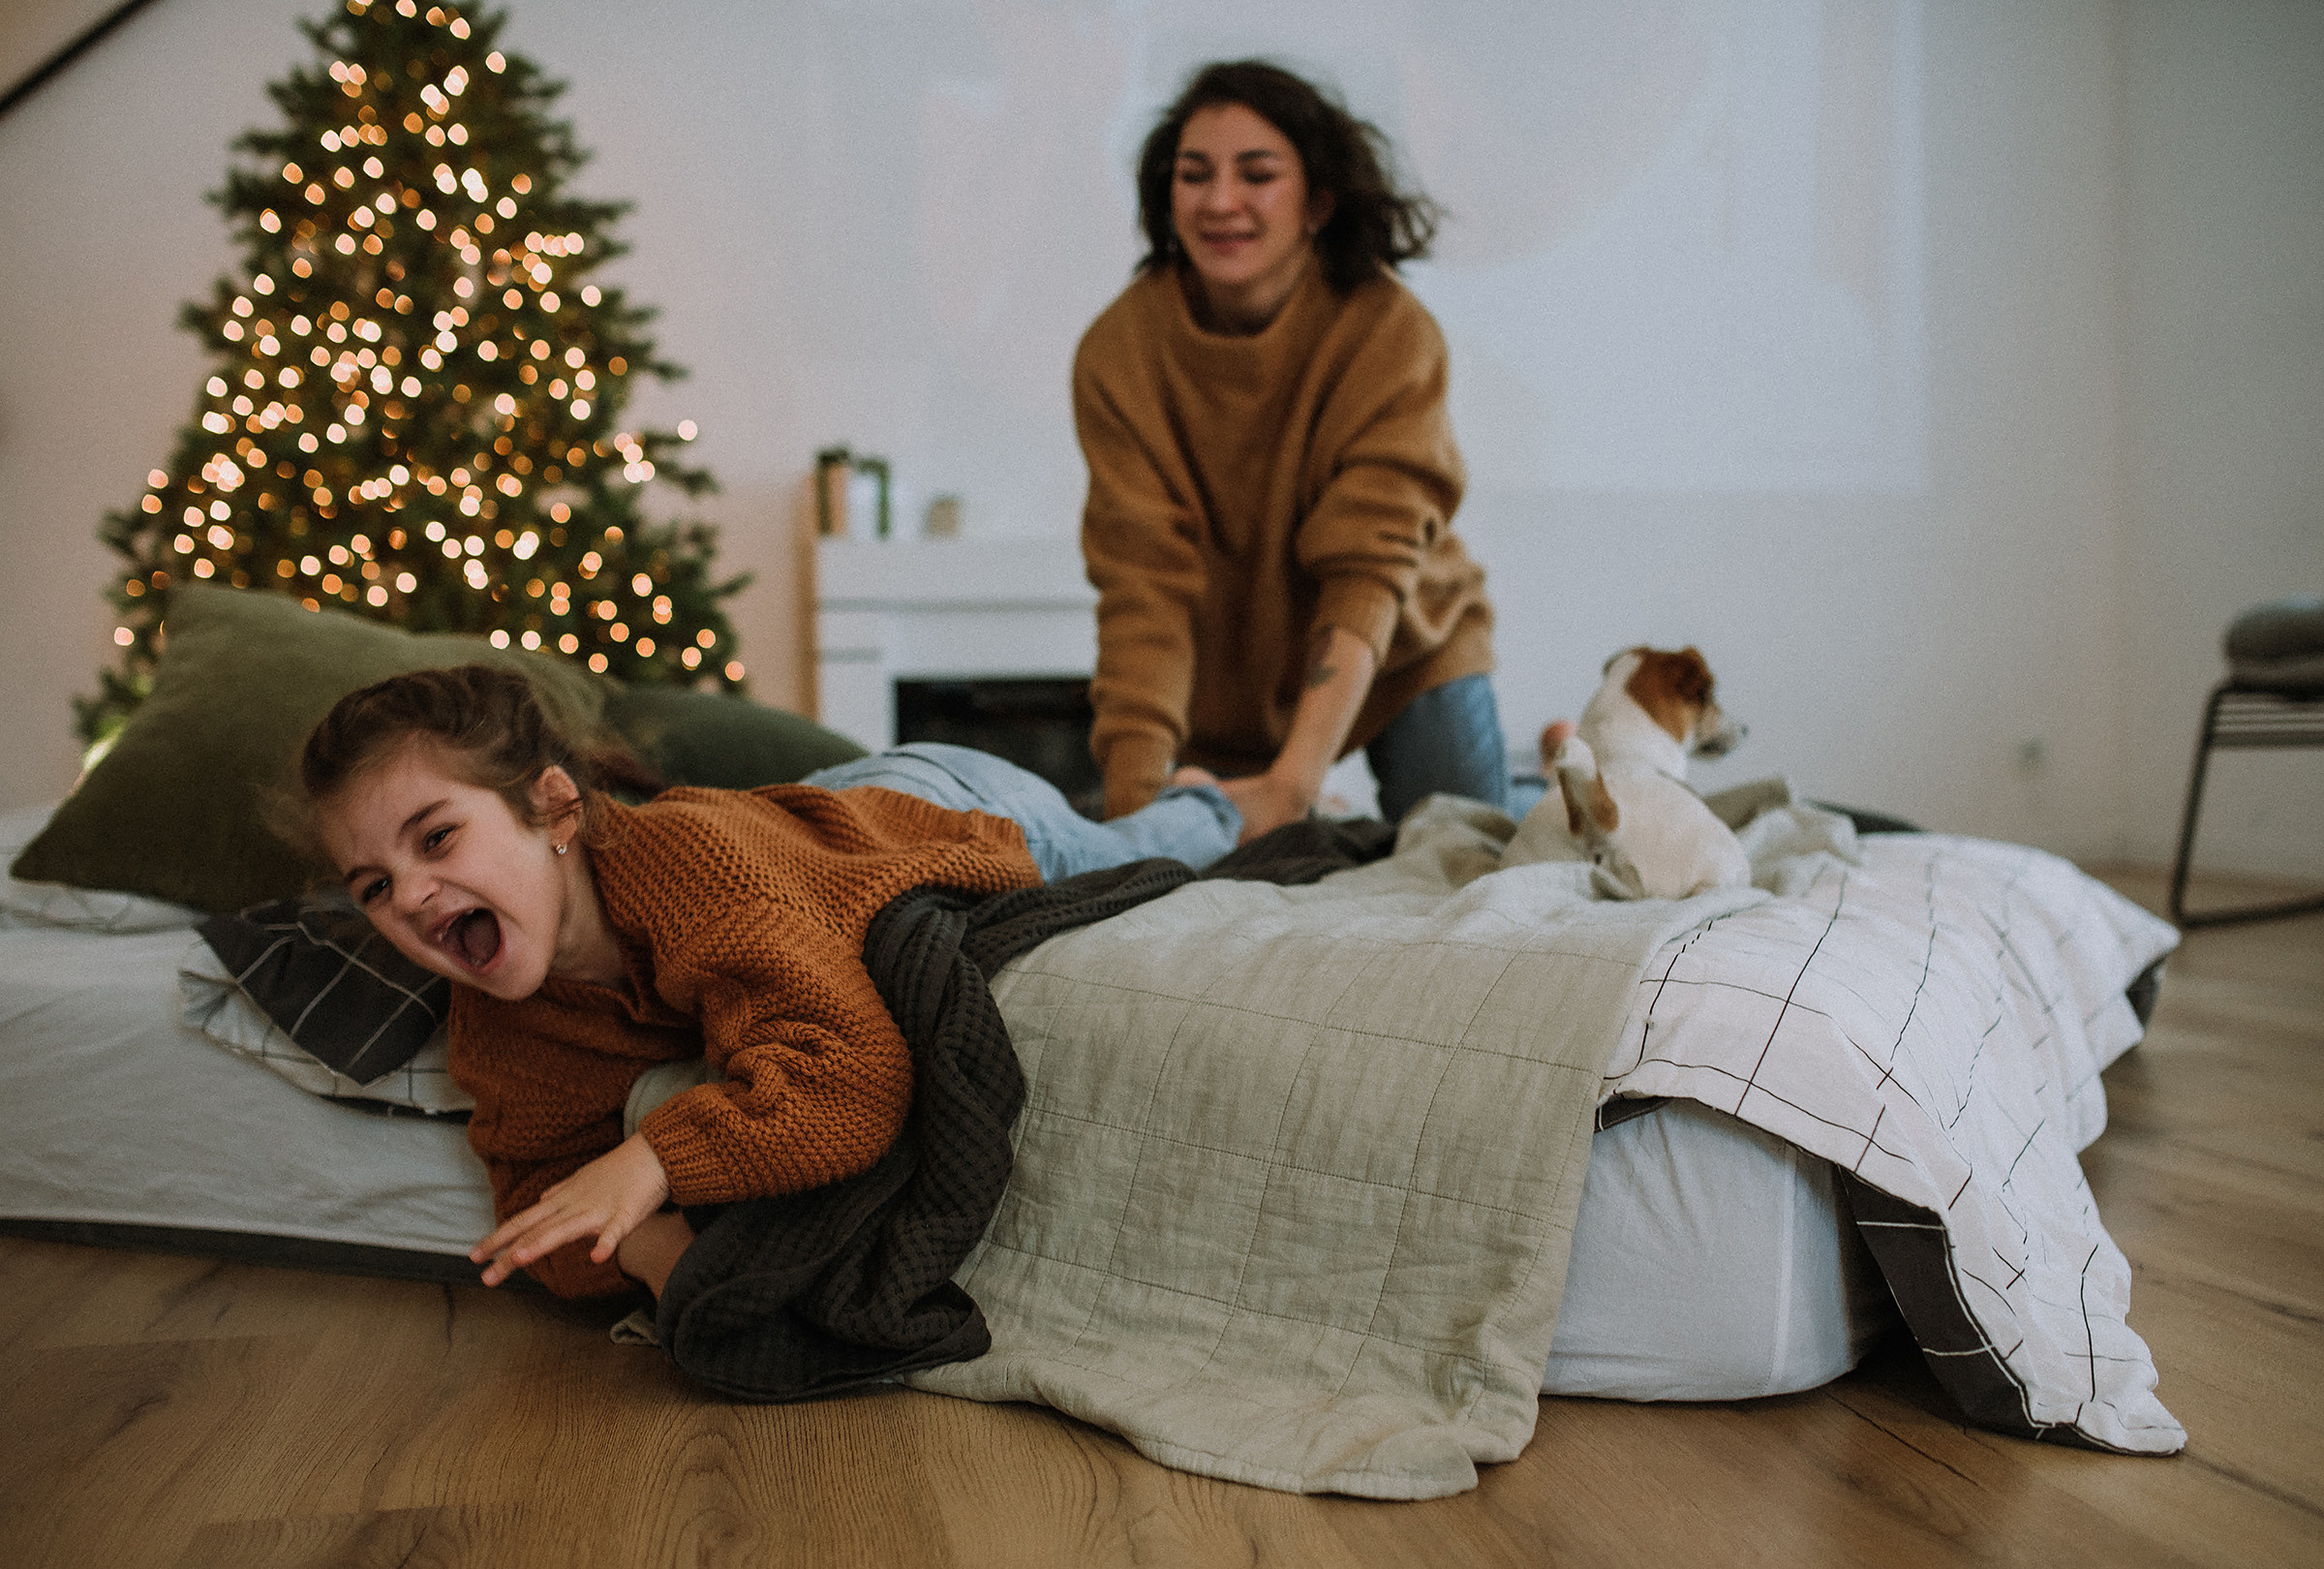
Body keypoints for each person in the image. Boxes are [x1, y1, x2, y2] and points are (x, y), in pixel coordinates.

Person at [298, 664, 1238, 1301]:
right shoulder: (500, 1017)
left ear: (552, 807)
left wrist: (650, 1162)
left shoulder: (686, 873)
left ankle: (1228, 789)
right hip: (789, 832)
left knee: (1164, 843)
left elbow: (849, 1077)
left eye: (436, 838)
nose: (412, 897)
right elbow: (537, 1197)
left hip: (942, 800)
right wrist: (647, 1249)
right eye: (374, 887)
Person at [1075, 59, 1504, 839]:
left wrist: (1294, 787)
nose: (1220, 202)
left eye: (1258, 174)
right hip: (1224, 679)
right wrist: (1134, 818)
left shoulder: (1389, 332)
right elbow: (1144, 591)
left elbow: (1366, 571)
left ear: (1319, 202)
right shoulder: (1118, 351)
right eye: (1193, 174)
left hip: (1403, 652)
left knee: (1474, 863)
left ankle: (1544, 779)